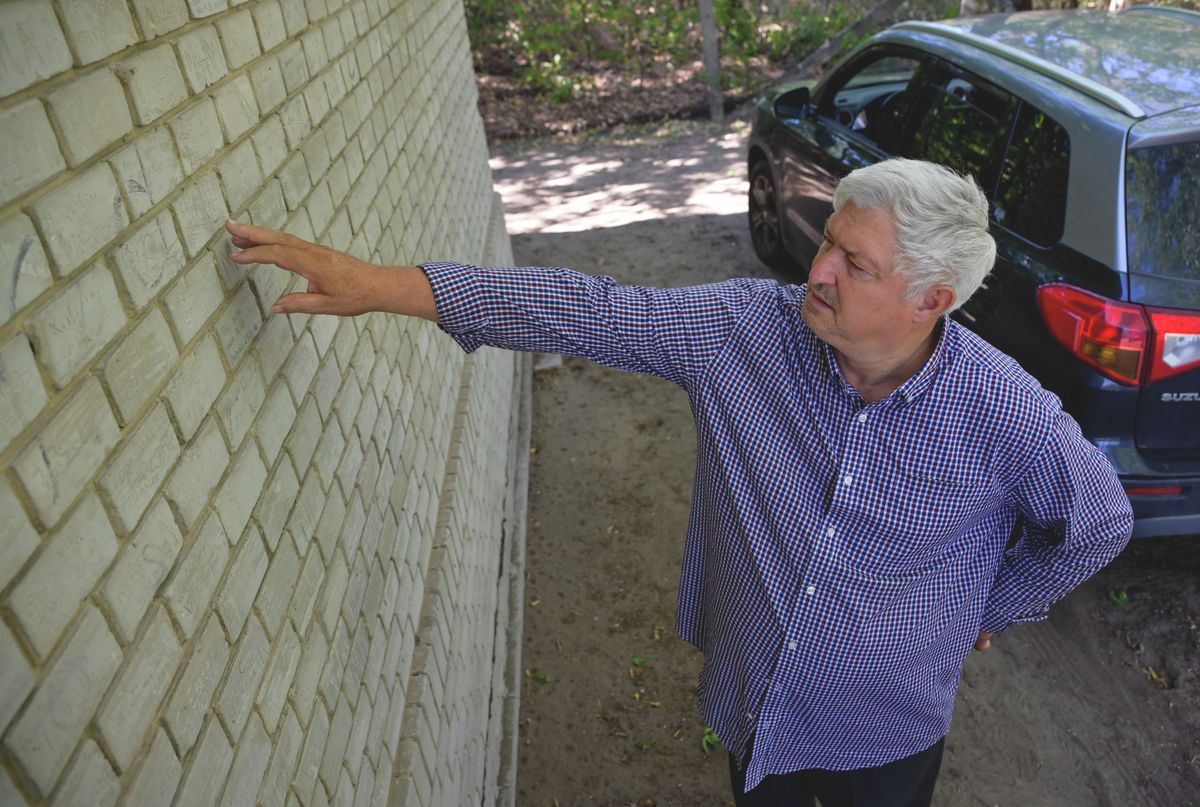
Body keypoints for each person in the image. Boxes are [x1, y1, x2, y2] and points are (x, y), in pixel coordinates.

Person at [225, 158, 1133, 806]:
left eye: (855, 265)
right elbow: (592, 312)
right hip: (753, 702)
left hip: (888, 727)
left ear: (932, 298)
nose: (814, 269)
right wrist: (390, 286)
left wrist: (991, 603)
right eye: (830, 242)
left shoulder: (1001, 408)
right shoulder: (744, 332)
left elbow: (1098, 519)